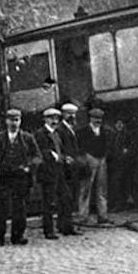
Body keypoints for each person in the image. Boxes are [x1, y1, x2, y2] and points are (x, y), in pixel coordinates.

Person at [0, 109, 42, 246]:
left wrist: (28, 166)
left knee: (20, 207)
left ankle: (18, 236)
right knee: (0, 207)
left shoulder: (27, 138)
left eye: (16, 120)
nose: (14, 123)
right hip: (4, 177)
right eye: (11, 120)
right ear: (6, 121)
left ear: (20, 121)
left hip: (21, 178)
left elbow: (37, 157)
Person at [33, 108, 80, 239]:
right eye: (51, 118)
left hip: (59, 171)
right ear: (45, 119)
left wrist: (65, 158)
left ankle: (66, 227)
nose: (54, 121)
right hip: (47, 172)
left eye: (56, 119)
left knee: (66, 198)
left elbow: (60, 150)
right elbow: (41, 151)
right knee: (48, 203)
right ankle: (48, 231)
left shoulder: (57, 133)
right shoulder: (40, 134)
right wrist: (54, 156)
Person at [76, 107, 114, 224]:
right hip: (89, 160)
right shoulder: (82, 132)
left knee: (102, 189)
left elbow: (109, 145)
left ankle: (102, 215)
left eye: (100, 118)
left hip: (101, 160)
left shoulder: (105, 131)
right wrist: (84, 160)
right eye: (95, 118)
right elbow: (79, 148)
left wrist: (105, 156)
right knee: (85, 189)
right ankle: (83, 216)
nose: (98, 121)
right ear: (90, 118)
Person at [58, 102, 83, 220]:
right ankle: (65, 223)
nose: (72, 116)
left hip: (73, 166)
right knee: (65, 196)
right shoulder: (60, 129)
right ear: (63, 114)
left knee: (72, 194)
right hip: (65, 167)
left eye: (73, 114)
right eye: (69, 114)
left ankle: (68, 222)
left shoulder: (72, 129)